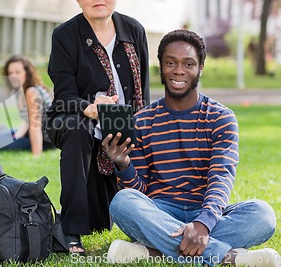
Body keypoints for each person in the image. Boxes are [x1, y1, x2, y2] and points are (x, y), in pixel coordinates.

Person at [103, 29, 279, 266]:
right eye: (170, 63)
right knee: (123, 202)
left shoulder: (221, 118)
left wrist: (203, 224)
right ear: (161, 67)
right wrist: (123, 164)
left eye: (188, 64)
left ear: (201, 67)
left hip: (206, 211)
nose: (178, 70)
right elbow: (139, 191)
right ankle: (229, 258)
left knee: (263, 215)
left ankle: (152, 252)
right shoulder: (142, 121)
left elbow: (221, 176)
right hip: (160, 211)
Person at [45, 0, 150, 254]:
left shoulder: (134, 30)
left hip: (120, 120)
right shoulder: (65, 35)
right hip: (73, 116)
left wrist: (141, 127)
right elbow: (63, 96)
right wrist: (90, 107)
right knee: (78, 130)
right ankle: (71, 232)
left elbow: (143, 91)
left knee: (103, 222)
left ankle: (150, 217)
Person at [0, 55, 54, 156]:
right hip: (27, 133)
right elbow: (27, 121)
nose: (13, 76)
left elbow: (35, 126)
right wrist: (16, 137)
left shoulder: (32, 91)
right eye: (10, 73)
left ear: (27, 73)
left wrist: (36, 156)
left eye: (17, 72)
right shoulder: (20, 91)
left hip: (44, 140)